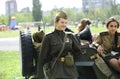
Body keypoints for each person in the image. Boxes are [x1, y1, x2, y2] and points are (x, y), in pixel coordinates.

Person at [37, 10, 82, 79]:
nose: (64, 25)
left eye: (66, 23)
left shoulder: (70, 36)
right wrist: (41, 75)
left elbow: (78, 51)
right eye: (62, 22)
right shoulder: (48, 37)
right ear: (56, 23)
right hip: (55, 70)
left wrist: (71, 59)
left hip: (70, 70)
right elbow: (42, 58)